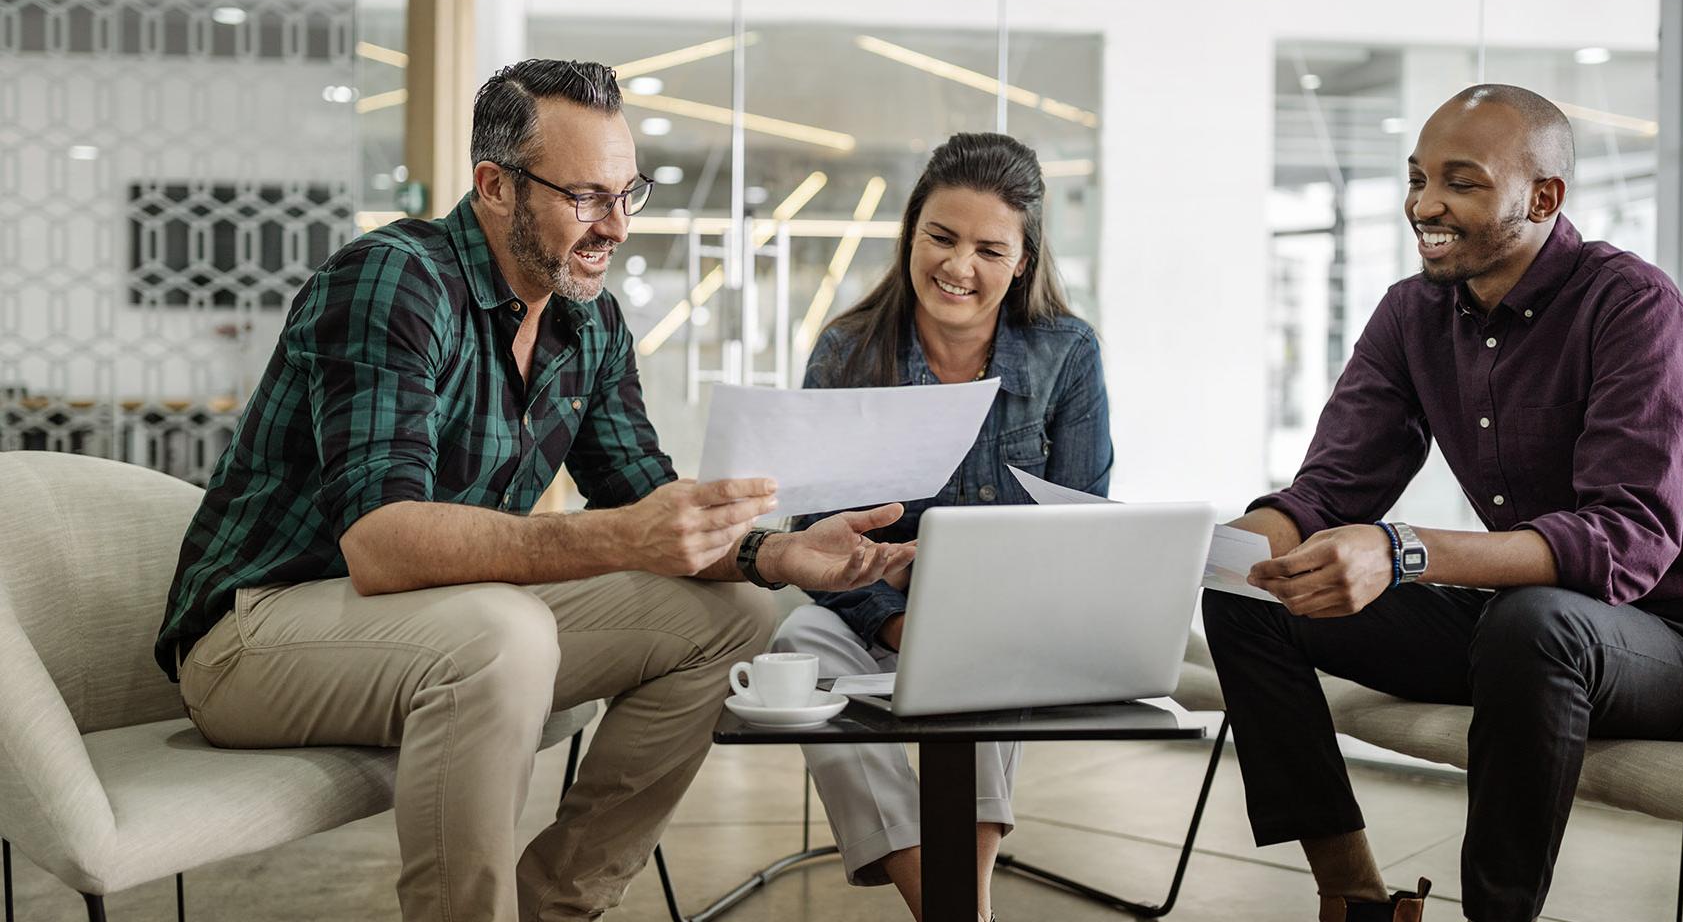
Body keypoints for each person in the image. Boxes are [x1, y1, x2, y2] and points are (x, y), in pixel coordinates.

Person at [154, 59, 913, 922]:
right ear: (494, 186)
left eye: (630, 194)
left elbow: (643, 497)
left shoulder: (587, 322)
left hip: (444, 630)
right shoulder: (393, 280)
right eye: (586, 197)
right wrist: (622, 537)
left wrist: (777, 552)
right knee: (501, 629)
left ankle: (552, 907)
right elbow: (379, 540)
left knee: (735, 615)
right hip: (255, 638)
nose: (617, 226)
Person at [1203, 84, 1683, 922]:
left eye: (1461, 182)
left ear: (1543, 198)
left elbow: (1628, 540)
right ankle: (1354, 897)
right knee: (1251, 593)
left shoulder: (1631, 306)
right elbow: (1329, 491)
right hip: (1535, 633)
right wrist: (1220, 547)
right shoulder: (1414, 314)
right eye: (1416, 179)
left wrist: (1401, 548)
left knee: (1535, 621)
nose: (1424, 205)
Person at [772, 132, 1114, 921]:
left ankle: (967, 902)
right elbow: (820, 534)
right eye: (942, 238)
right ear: (911, 234)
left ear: (1022, 261)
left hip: (1007, 629)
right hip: (877, 623)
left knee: (984, 647)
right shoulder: (848, 351)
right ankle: (949, 906)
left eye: (989, 249)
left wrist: (968, 621)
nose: (959, 267)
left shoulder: (1068, 355)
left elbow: (1084, 526)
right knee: (797, 645)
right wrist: (896, 628)